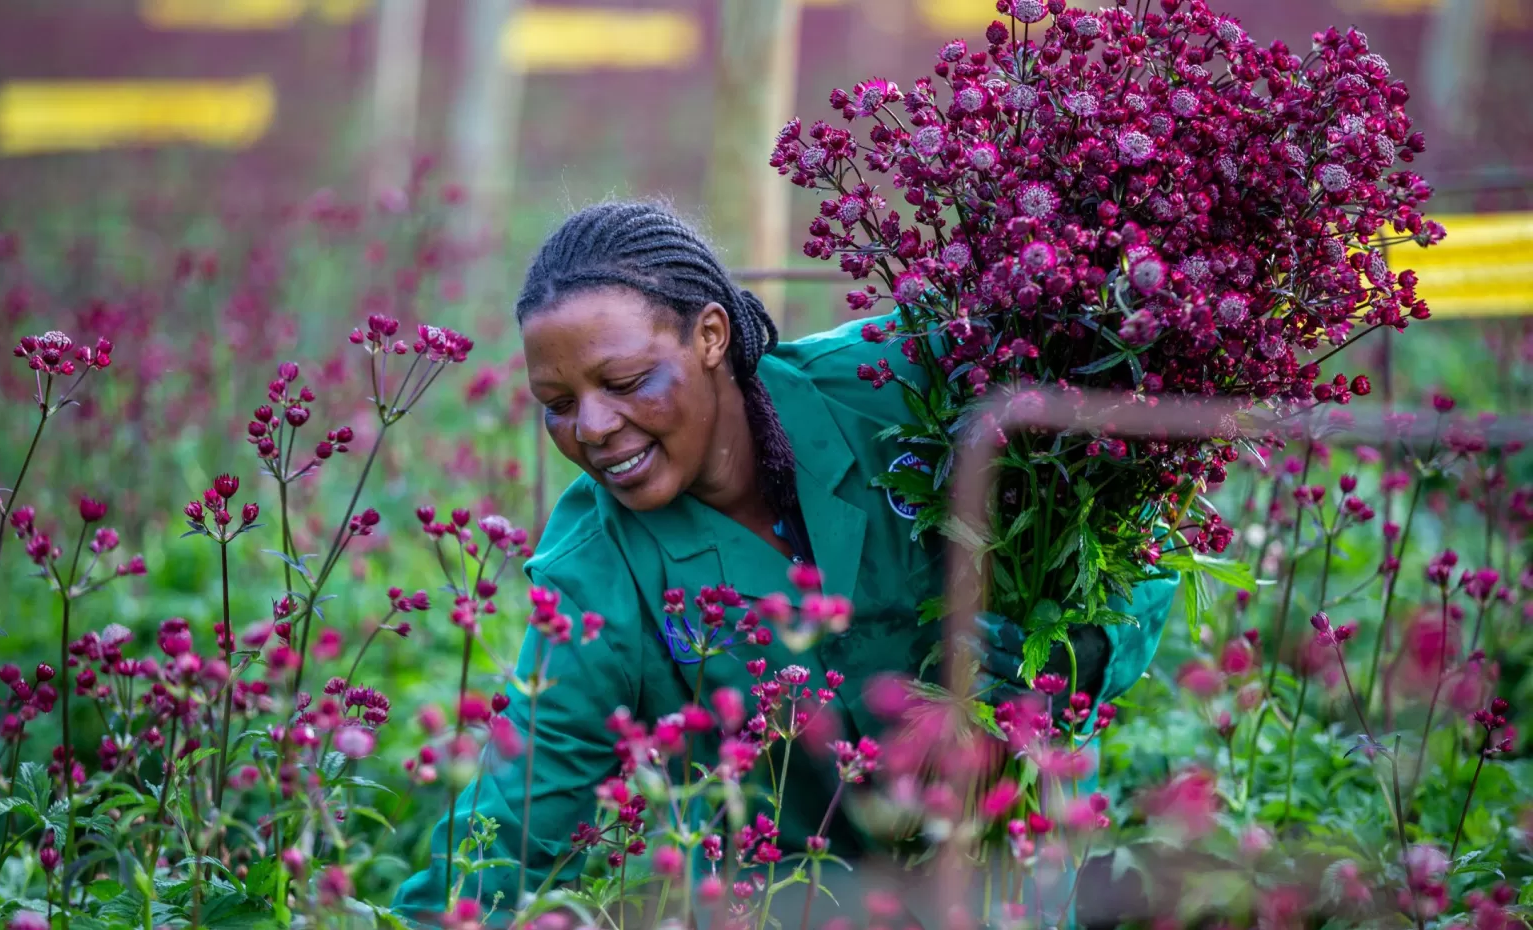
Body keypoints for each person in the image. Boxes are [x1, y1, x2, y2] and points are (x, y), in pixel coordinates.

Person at [392, 202, 1178, 926]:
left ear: (710, 336)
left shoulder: (900, 386)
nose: (591, 428)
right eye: (557, 404)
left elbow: (1127, 507)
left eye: (626, 382)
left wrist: (1082, 653)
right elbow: (515, 820)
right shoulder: (598, 569)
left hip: (1016, 885)